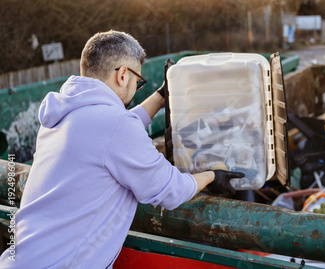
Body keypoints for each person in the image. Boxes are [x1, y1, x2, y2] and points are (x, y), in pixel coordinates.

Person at [0, 30, 244, 268]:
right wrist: (213, 176)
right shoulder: (114, 126)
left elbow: (118, 130)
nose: (136, 89)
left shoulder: (64, 114)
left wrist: (160, 96)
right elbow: (171, 190)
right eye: (138, 82)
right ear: (123, 74)